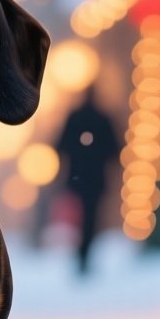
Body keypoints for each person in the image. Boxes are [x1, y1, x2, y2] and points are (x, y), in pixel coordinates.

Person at [54, 91, 120, 277]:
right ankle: (85, 254)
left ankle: (82, 254)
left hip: (78, 178)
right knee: (91, 219)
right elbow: (114, 150)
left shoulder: (75, 118)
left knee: (81, 218)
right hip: (95, 179)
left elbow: (60, 146)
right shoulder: (102, 119)